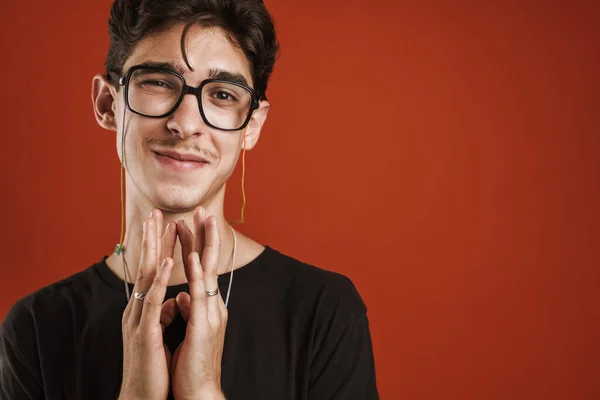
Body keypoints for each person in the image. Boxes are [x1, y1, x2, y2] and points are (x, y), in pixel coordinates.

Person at [0, 0, 379, 399]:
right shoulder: (38, 327)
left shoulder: (323, 311)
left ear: (251, 126)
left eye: (222, 94)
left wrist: (203, 391)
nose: (185, 123)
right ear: (108, 104)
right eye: (159, 82)